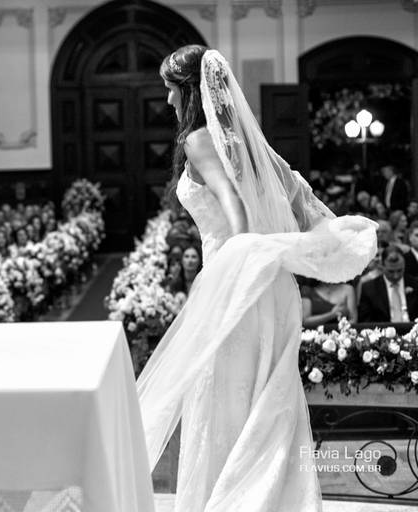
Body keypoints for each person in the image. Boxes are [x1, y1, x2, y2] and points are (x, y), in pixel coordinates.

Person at [137, 45, 376, 512]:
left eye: (170, 90)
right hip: (268, 284)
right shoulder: (250, 147)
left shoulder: (199, 140)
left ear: (190, 91)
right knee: (267, 398)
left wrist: (239, 258)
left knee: (227, 399)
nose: (166, 102)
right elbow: (297, 202)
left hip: (238, 283)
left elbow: (233, 204)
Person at [359, 246, 418, 323]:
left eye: (399, 270)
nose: (395, 275)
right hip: (382, 332)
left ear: (404, 264)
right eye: (391, 271)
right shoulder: (369, 289)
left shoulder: (415, 284)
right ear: (382, 266)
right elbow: (365, 322)